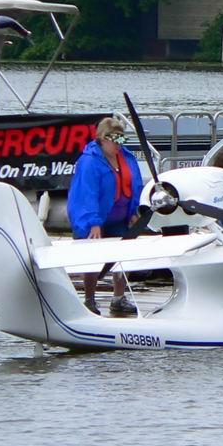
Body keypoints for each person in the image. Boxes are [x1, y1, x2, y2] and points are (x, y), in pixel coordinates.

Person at [67, 117, 143, 314]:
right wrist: (93, 222)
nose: (118, 144)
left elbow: (135, 186)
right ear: (101, 138)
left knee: (123, 255)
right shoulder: (90, 162)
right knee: (92, 257)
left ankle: (119, 297)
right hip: (95, 218)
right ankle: (90, 299)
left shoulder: (127, 158)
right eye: (114, 139)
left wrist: (134, 211)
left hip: (120, 216)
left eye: (122, 139)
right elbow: (87, 194)